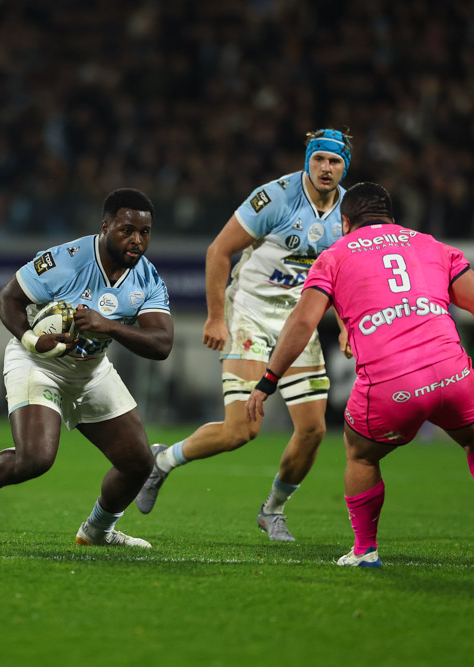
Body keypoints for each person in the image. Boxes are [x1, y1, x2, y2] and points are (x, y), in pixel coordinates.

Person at [245, 182, 474, 566]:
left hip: (392, 385)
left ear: (345, 222)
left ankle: (365, 550)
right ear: (391, 217)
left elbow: (302, 322)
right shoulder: (432, 245)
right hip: (451, 374)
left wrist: (269, 379)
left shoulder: (334, 255)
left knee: (361, 455)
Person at [136, 128, 352, 542]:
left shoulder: (347, 212)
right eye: (320, 159)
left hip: (298, 324)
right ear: (308, 158)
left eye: (335, 162)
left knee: (313, 431)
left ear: (346, 167)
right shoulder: (274, 198)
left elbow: (344, 276)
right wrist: (216, 316)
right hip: (249, 315)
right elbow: (219, 250)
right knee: (242, 431)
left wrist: (345, 325)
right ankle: (162, 463)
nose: (326, 168)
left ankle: (273, 510)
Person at [0, 188, 173, 547]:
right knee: (36, 459)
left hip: (91, 371)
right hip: (37, 362)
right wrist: (32, 339)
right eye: (127, 230)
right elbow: (8, 299)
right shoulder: (67, 260)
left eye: (145, 232)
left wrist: (109, 326)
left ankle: (97, 531)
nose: (137, 241)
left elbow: (162, 343)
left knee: (139, 464)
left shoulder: (147, 277)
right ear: (105, 226)